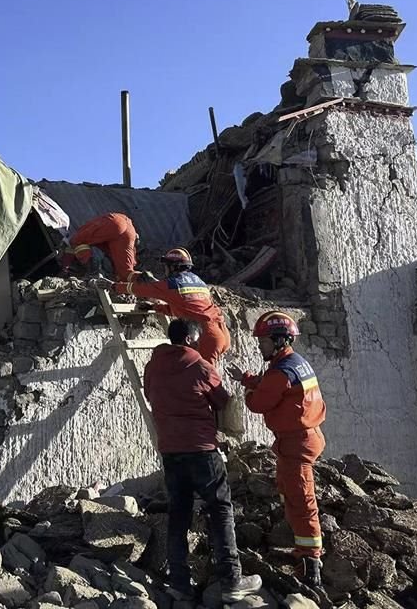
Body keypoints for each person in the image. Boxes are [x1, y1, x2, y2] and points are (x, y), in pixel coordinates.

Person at [144, 318, 262, 603]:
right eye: (196, 340)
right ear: (188, 340)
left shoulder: (152, 366)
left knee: (179, 514)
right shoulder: (200, 366)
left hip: (171, 452)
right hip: (202, 451)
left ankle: (179, 583)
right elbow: (222, 401)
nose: (199, 344)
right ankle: (232, 580)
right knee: (220, 509)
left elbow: (149, 395)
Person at [226, 311, 327, 588]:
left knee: (302, 500)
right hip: (300, 438)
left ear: (280, 340)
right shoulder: (292, 363)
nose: (260, 345)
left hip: (297, 442)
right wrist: (247, 379)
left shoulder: (282, 370)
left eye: (264, 341)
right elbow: (272, 385)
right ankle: (303, 554)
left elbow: (259, 402)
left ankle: (311, 564)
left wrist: (247, 392)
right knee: (290, 491)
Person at [111, 248, 231, 362]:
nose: (165, 270)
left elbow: (141, 289)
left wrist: (114, 286)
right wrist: (155, 307)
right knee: (203, 377)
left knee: (203, 380)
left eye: (166, 266)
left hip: (206, 336)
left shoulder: (172, 284)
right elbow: (186, 309)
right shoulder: (199, 282)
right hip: (222, 333)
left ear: (173, 267)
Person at [60, 213, 148, 282]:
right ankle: (149, 282)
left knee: (75, 242)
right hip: (129, 229)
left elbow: (72, 244)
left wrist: (65, 267)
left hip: (114, 221)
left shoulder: (82, 232)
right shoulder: (129, 246)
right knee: (126, 272)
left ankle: (93, 273)